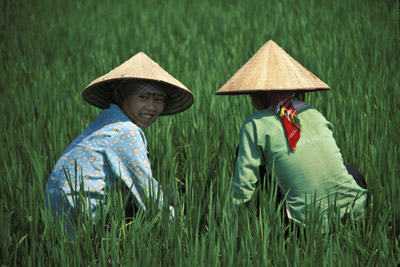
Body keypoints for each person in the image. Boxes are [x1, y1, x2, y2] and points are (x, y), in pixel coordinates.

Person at [216, 40, 368, 230]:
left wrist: (230, 225)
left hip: (305, 226)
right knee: (350, 171)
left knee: (256, 171)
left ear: (258, 96)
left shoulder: (254, 124)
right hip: (355, 212)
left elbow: (244, 188)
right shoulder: (314, 113)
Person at [45, 52, 193, 226]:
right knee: (180, 194)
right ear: (122, 95)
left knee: (171, 191)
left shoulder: (107, 121)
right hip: (83, 223)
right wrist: (182, 228)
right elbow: (147, 195)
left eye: (159, 99)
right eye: (143, 97)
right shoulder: (126, 131)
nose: (152, 107)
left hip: (56, 217)